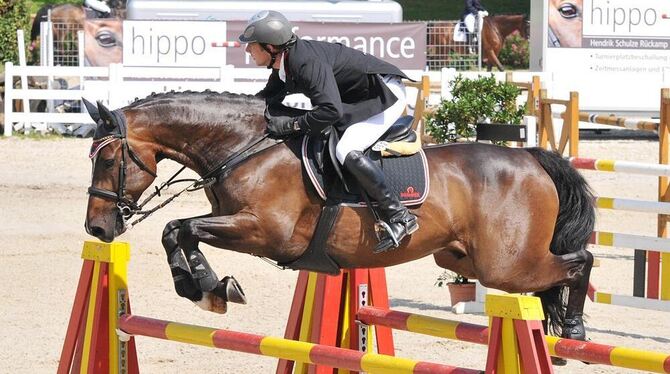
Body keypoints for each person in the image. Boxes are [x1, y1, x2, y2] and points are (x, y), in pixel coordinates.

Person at [238, 10, 418, 252]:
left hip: (384, 95)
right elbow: (266, 100)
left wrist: (292, 124)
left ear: (270, 47)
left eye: (251, 46)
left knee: (346, 149)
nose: (247, 50)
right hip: (357, 98)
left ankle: (400, 216)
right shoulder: (285, 65)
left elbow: (330, 112)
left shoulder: (304, 63)